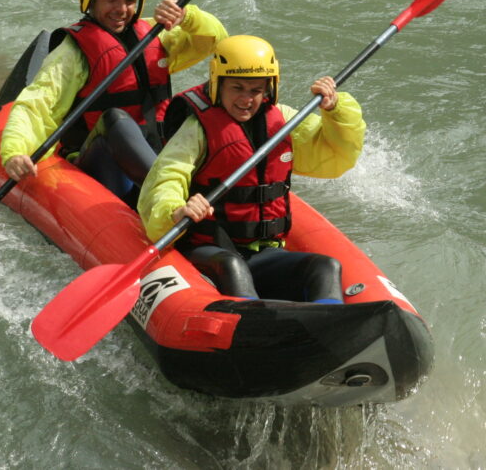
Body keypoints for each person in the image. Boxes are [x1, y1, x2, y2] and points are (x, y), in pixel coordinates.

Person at [138, 35, 366, 303]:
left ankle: (331, 321)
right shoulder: (197, 129)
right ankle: (251, 324)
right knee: (233, 267)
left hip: (265, 253)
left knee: (325, 266)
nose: (246, 99)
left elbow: (334, 157)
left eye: (256, 90)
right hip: (209, 251)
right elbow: (167, 178)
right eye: (237, 88)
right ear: (217, 84)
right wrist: (176, 210)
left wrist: (336, 111)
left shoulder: (284, 120)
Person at [0, 0, 227, 202]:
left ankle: (182, 193)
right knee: (115, 120)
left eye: (130, 0)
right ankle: (169, 195)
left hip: (153, 156)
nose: (121, 9)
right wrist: (15, 151)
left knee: (202, 104)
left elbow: (214, 41)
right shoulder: (73, 52)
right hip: (99, 167)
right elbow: (37, 105)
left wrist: (188, 17)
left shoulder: (155, 36)